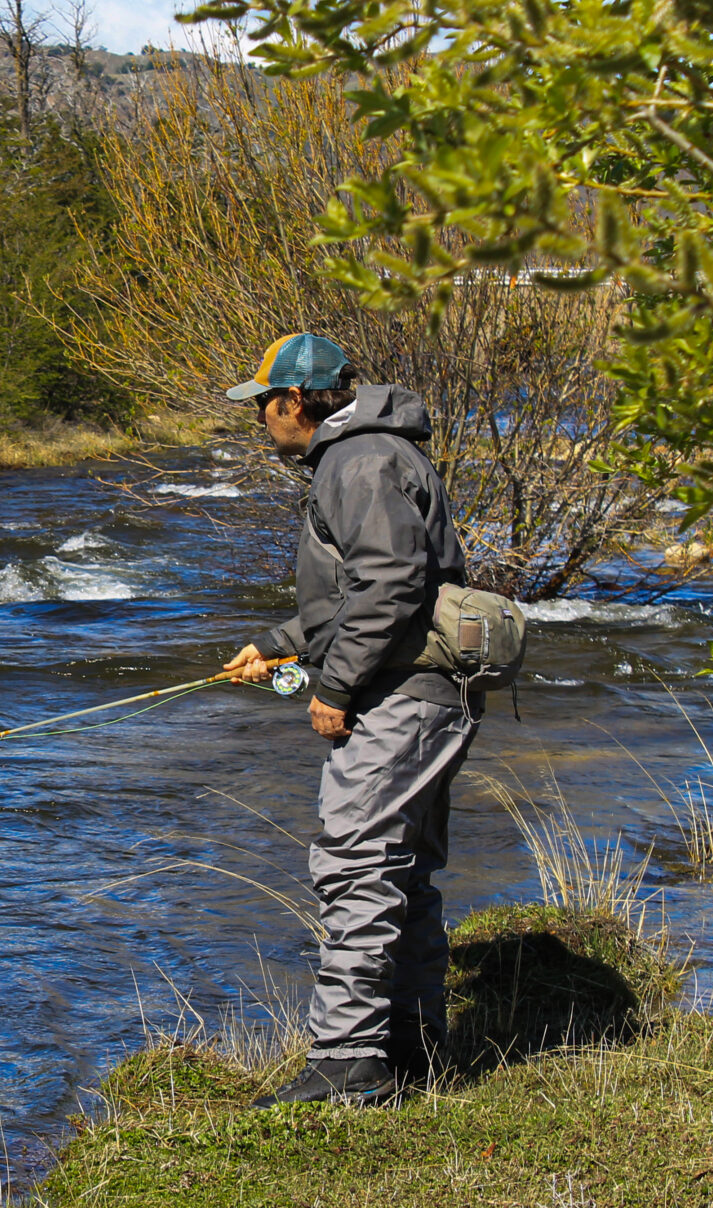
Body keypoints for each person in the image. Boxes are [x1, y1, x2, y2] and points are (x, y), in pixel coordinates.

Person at [218, 332, 477, 1107]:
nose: (261, 419)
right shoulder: (367, 455)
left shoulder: (357, 462)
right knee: (404, 873)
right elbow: (359, 594)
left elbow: (393, 584)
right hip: (425, 695)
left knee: (354, 864)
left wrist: (332, 688)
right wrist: (274, 644)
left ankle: (348, 1062)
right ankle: (411, 1045)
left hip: (402, 698)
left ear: (294, 401)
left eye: (262, 405)